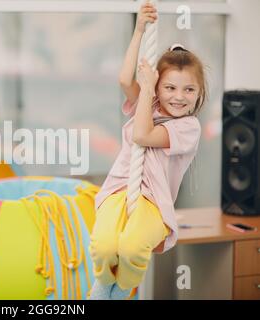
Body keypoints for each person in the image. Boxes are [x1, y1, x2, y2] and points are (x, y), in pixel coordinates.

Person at [88, 1, 207, 299]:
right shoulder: (150, 103)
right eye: (170, 88)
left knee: (130, 247)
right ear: (158, 88)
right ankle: (104, 284)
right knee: (103, 246)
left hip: (154, 202)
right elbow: (124, 79)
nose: (179, 97)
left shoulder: (188, 128)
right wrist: (140, 29)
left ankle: (124, 289)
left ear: (199, 93)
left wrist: (149, 89)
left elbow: (142, 135)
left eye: (188, 90)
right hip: (119, 189)